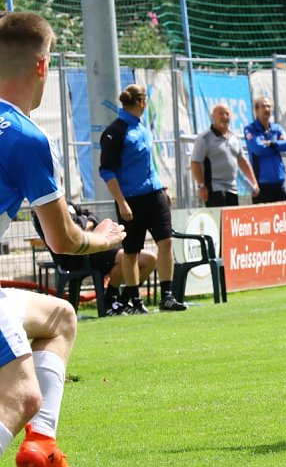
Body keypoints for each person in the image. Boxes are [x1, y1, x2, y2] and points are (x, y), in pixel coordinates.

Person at [0, 11, 125, 467]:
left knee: (61, 317)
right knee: (21, 396)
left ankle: (42, 444)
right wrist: (101, 238)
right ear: (41, 65)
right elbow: (64, 240)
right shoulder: (24, 136)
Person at [100, 84, 187, 312]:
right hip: (130, 200)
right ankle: (136, 301)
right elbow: (107, 171)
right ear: (141, 102)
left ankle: (167, 296)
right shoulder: (115, 131)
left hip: (154, 194)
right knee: (131, 252)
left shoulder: (142, 128)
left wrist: (162, 187)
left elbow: (148, 164)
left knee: (166, 242)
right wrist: (121, 202)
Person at [32, 203, 157, 317]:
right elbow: (71, 233)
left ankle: (120, 301)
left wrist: (84, 224)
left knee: (150, 259)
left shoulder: (67, 203)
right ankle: (111, 302)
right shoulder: (42, 210)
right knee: (126, 258)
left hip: (94, 249)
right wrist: (84, 222)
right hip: (77, 258)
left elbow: (91, 217)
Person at [191, 103, 259, 207]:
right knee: (219, 217)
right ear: (213, 117)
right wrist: (201, 186)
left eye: (227, 114)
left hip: (232, 190)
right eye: (221, 114)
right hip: (215, 190)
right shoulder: (204, 138)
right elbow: (195, 162)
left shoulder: (234, 138)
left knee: (232, 217)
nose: (224, 117)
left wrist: (254, 183)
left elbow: (243, 161)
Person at [244, 97, 286, 204]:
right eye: (263, 106)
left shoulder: (277, 128)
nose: (267, 109)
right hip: (261, 186)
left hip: (279, 185)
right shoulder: (250, 129)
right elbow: (259, 149)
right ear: (256, 110)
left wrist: (271, 144)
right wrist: (278, 146)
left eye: (269, 106)